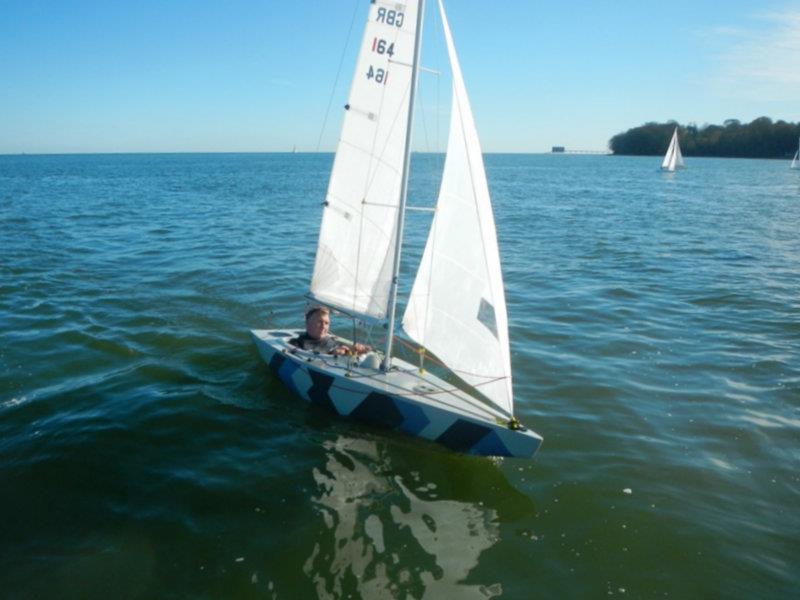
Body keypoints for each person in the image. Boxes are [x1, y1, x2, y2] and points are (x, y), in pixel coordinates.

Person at [289, 306, 371, 356]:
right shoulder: (297, 343)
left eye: (326, 323)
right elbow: (303, 358)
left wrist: (357, 351)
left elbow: (344, 352)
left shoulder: (333, 341)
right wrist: (331, 354)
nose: (323, 326)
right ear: (307, 324)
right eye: (319, 322)